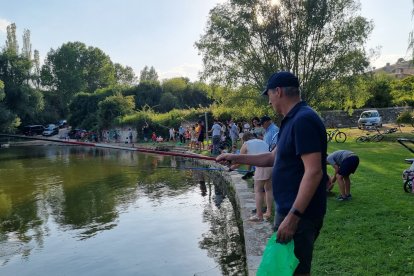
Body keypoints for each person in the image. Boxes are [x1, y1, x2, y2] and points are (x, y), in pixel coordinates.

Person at [217, 71, 327, 275]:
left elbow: (314, 172)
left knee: (294, 271)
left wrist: (293, 218)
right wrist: (237, 157)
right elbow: (271, 157)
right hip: (289, 209)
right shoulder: (290, 120)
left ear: (278, 91)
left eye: (268, 95)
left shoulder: (304, 120)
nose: (268, 102)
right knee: (284, 270)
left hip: (300, 215)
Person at [232, 132, 273, 222]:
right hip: (271, 165)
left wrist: (231, 168)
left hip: (261, 167)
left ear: (244, 139)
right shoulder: (261, 141)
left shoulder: (246, 144)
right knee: (268, 189)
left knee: (258, 190)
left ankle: (259, 215)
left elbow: (239, 161)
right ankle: (269, 212)